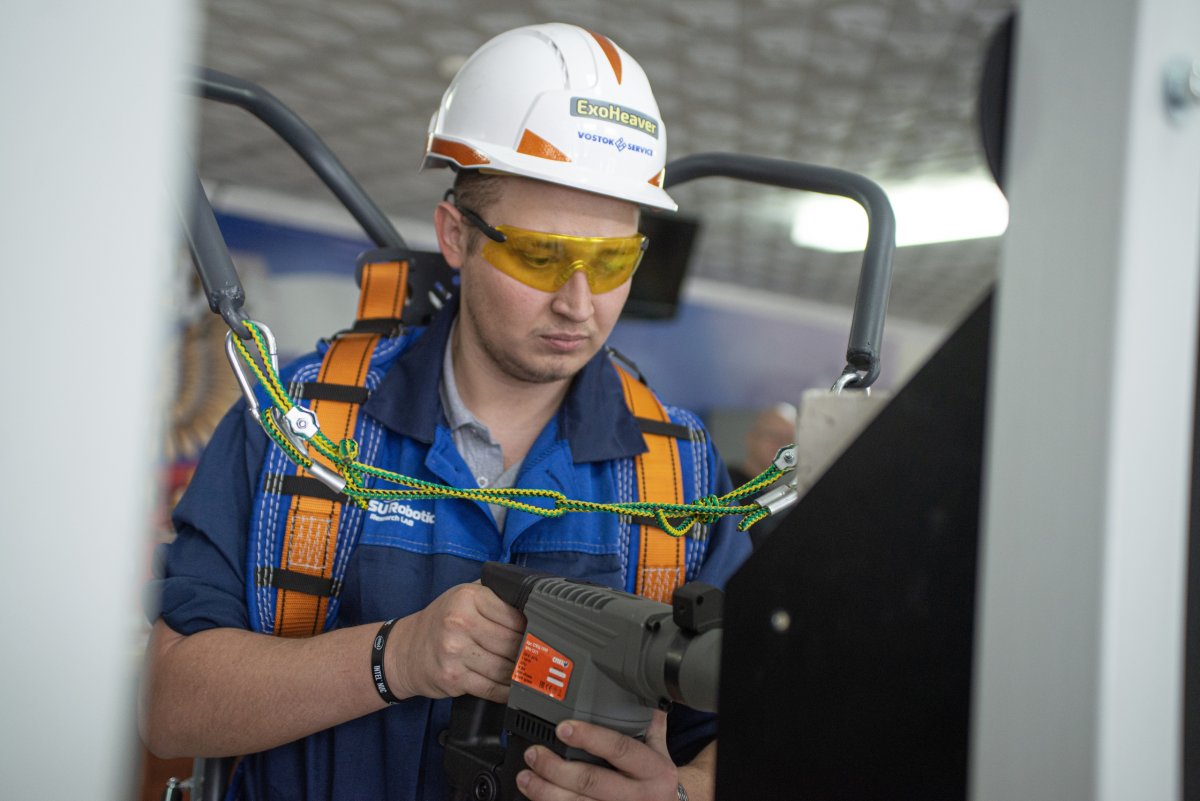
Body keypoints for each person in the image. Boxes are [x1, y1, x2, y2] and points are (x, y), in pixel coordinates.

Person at [139, 23, 750, 801]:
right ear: (455, 235)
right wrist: (395, 656)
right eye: (539, 255)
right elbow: (169, 706)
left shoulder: (682, 476)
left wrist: (676, 795)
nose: (578, 302)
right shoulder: (301, 426)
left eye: (612, 262)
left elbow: (779, 722)